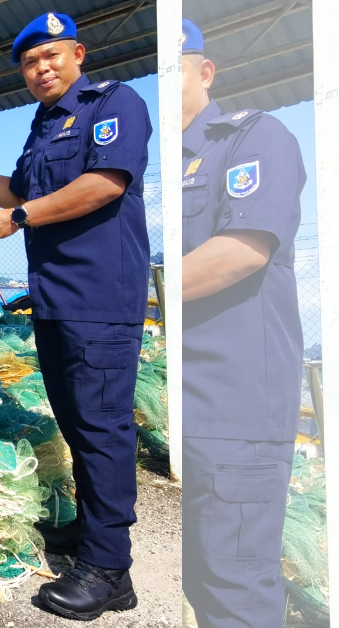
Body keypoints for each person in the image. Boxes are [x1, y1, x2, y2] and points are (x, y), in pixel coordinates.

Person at [0, 11, 151, 620]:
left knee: (103, 427)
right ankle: (94, 541)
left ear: (78, 54)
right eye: (30, 63)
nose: (41, 69)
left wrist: (20, 219)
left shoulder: (115, 104)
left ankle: (109, 572)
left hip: (99, 298)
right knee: (79, 423)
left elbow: (105, 183)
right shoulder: (43, 124)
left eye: (51, 56)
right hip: (54, 299)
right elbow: (20, 193)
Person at [179, 19, 304, 628]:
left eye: (175, 69)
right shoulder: (166, 168)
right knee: (203, 580)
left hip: (237, 404)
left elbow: (240, 251)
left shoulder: (253, 139)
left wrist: (129, 302)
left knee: (234, 588)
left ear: (204, 73)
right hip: (190, 402)